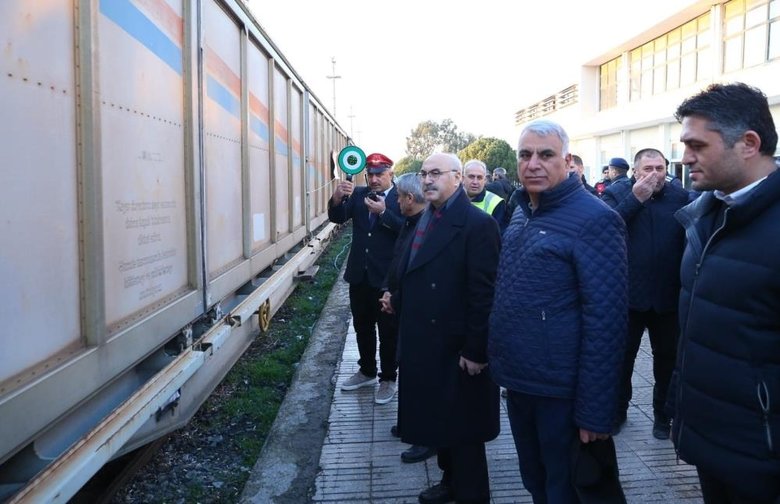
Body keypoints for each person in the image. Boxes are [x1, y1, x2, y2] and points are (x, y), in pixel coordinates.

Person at [488, 119, 628, 503]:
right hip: (520, 384)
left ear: (566, 161)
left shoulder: (595, 219)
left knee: (564, 489)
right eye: (525, 154)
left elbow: (608, 321)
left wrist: (596, 412)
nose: (533, 163)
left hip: (561, 393)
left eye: (545, 155)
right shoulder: (521, 212)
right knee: (535, 481)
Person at [669, 82, 780, 503]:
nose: (685, 158)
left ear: (748, 144)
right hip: (709, 442)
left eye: (697, 145)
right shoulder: (702, 217)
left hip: (762, 458)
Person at [389, 153, 500, 504]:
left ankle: (471, 494)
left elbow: (484, 294)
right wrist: (398, 294)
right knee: (441, 424)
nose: (427, 180)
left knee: (464, 432)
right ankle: (449, 482)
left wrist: (475, 350)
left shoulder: (477, 225)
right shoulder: (428, 216)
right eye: (424, 173)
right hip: (426, 342)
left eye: (436, 173)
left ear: (457, 177)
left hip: (456, 347)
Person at [601, 148, 689, 439]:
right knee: (621, 358)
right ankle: (617, 411)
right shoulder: (617, 194)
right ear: (635, 172)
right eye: (648, 168)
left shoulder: (680, 196)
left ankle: (663, 417)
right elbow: (604, 227)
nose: (654, 175)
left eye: (660, 168)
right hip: (627, 296)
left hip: (667, 295)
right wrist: (635, 199)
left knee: (667, 359)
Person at [328, 152, 404, 404]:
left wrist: (383, 213)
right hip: (360, 275)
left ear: (390, 174)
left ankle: (388, 378)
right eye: (370, 174)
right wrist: (337, 197)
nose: (373, 179)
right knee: (362, 326)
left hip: (386, 279)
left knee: (388, 332)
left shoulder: (401, 197)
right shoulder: (358, 195)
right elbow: (337, 217)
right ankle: (367, 370)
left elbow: (408, 229)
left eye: (379, 174)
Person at [379, 173, 436, 465]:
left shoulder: (425, 227)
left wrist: (395, 297)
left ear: (410, 199)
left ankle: (425, 437)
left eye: (399, 197)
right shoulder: (412, 222)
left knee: (420, 377)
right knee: (407, 370)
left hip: (417, 313)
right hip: (401, 304)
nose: (397, 201)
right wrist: (389, 290)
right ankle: (408, 424)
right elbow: (398, 261)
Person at [464, 159, 508, 232]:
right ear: (462, 178)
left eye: (479, 178)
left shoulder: (496, 203)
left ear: (485, 180)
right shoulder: (449, 198)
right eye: (471, 177)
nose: (475, 182)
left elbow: (496, 237)